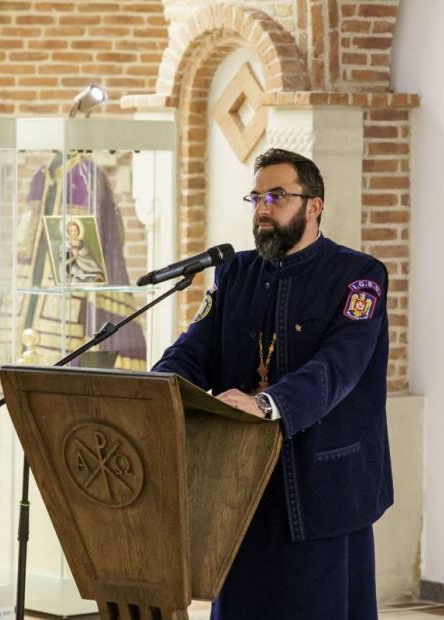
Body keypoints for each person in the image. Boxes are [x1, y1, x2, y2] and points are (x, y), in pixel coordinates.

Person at [152, 148, 393, 619]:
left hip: (323, 483)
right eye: (256, 197)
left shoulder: (359, 276)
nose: (263, 208)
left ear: (314, 205)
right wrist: (158, 389)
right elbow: (195, 348)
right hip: (238, 480)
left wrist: (268, 403)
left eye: (277, 196)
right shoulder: (235, 272)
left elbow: (339, 365)